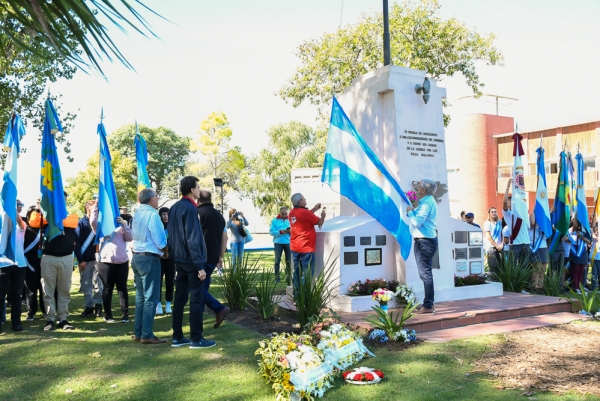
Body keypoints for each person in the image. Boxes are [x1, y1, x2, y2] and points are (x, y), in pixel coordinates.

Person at [168, 176, 215, 349]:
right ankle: (196, 338)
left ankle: (177, 336)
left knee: (179, 298)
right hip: (190, 260)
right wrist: (200, 266)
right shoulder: (189, 208)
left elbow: (172, 236)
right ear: (192, 189)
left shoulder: (174, 208)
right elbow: (193, 238)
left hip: (179, 259)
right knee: (196, 298)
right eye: (198, 186)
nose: (199, 189)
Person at [131, 188, 168, 344]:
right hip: (149, 258)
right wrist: (166, 252)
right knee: (151, 298)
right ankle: (146, 334)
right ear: (152, 199)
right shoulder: (153, 215)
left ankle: (139, 332)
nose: (158, 199)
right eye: (157, 196)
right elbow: (160, 240)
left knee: (141, 298)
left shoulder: (138, 213)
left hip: (137, 257)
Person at [40, 191, 79, 331]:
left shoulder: (72, 217)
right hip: (48, 257)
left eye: (62, 199)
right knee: (47, 290)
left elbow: (70, 221)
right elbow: (35, 219)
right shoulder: (44, 215)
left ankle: (63, 319)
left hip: (66, 257)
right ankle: (50, 319)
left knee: (64, 290)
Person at [197, 190, 230, 328]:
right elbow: (225, 237)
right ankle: (200, 317)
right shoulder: (219, 216)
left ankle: (218, 308)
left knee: (195, 288)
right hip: (213, 257)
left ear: (198, 199)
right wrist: (220, 257)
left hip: (200, 257)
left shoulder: (198, 213)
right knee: (202, 289)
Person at [406, 179, 438, 315]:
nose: (416, 189)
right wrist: (414, 210)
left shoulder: (426, 203)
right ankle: (428, 303)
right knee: (426, 274)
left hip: (424, 242)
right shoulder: (427, 201)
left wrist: (409, 212)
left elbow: (417, 221)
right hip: (426, 241)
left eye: (418, 187)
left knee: (425, 274)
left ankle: (428, 306)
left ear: (424, 190)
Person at [97, 215, 133, 323]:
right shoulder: (102, 226)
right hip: (106, 262)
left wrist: (124, 224)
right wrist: (96, 208)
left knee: (122, 288)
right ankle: (108, 314)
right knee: (107, 288)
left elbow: (130, 238)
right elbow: (94, 224)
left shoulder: (121, 226)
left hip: (122, 262)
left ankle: (125, 314)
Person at [289, 193, 326, 294]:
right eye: (304, 198)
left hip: (295, 247)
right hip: (306, 247)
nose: (305, 199)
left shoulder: (292, 212)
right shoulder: (305, 213)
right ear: (300, 202)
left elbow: (304, 216)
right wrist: (323, 216)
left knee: (297, 273)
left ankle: (296, 295)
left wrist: (314, 208)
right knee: (307, 273)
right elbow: (319, 222)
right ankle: (304, 296)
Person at [0, 199, 27, 332]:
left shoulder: (21, 224)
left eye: (20, 206)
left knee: (17, 295)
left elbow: (20, 222)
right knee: (1, 295)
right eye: (17, 206)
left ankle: (16, 322)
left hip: (19, 264)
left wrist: (12, 207)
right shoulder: (2, 225)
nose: (19, 208)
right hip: (3, 264)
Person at [75, 200, 103, 318]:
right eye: (93, 207)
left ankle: (98, 305)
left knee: (98, 284)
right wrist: (80, 259)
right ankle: (89, 307)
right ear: (87, 208)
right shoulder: (80, 223)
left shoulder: (100, 222)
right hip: (85, 260)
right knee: (86, 285)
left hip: (98, 258)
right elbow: (77, 242)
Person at [24, 206, 46, 321]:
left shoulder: (45, 229)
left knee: (44, 289)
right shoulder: (24, 229)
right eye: (34, 214)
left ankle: (45, 310)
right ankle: (31, 312)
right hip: (29, 263)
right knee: (31, 290)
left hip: (44, 263)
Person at [502, 178, 531, 264]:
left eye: (513, 201)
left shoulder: (523, 213)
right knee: (513, 267)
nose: (511, 203)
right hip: (515, 244)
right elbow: (504, 202)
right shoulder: (508, 214)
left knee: (525, 268)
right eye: (510, 201)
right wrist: (507, 187)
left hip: (526, 243)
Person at [156, 207, 175, 315]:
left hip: (171, 258)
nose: (165, 216)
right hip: (159, 258)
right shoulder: (158, 227)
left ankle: (168, 304)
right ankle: (158, 304)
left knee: (170, 282)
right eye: (163, 214)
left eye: (167, 214)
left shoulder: (173, 227)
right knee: (158, 282)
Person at [568, 217, 591, 293]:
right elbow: (568, 238)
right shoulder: (571, 230)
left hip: (583, 252)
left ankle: (580, 286)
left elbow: (589, 242)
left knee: (581, 270)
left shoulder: (585, 231)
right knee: (576, 270)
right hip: (575, 251)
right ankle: (576, 287)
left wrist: (581, 236)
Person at [269, 206, 291, 283]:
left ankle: (289, 278)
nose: (284, 215)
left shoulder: (290, 220)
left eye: (286, 214)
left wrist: (290, 231)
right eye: (283, 214)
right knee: (277, 261)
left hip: (288, 243)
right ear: (280, 213)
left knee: (289, 261)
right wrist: (280, 232)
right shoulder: (274, 221)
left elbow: (296, 230)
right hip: (278, 243)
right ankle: (277, 278)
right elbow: (271, 232)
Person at [528, 212, 548, 291]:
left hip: (544, 246)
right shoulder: (531, 225)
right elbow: (532, 222)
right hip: (535, 247)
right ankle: (535, 286)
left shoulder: (543, 226)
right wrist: (534, 210)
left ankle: (540, 285)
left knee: (543, 268)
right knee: (537, 267)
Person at [483, 207, 503, 274]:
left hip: (501, 247)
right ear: (489, 214)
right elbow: (488, 235)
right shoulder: (487, 223)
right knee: (493, 267)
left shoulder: (500, 222)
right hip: (491, 247)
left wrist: (502, 244)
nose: (494, 213)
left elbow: (504, 233)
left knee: (502, 267)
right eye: (492, 212)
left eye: (495, 212)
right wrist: (496, 245)